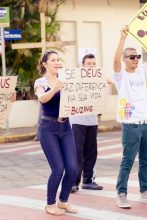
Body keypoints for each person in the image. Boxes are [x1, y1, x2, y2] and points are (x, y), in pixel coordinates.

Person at [113, 26, 147, 208]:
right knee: (127, 160)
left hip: (146, 125)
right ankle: (121, 192)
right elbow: (115, 61)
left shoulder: (142, 71)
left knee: (145, 160)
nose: (136, 59)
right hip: (131, 125)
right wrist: (122, 38)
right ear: (125, 59)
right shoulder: (120, 76)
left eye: (137, 57)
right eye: (132, 57)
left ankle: (145, 190)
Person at [34, 50, 78, 216]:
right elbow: (41, 98)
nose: (57, 62)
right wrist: (54, 89)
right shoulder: (41, 81)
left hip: (66, 127)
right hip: (48, 128)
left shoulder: (66, 79)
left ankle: (64, 201)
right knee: (58, 168)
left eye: (58, 60)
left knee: (73, 167)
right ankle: (50, 204)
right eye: (53, 60)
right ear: (45, 64)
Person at [70, 54, 103, 193]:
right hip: (77, 121)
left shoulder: (98, 80)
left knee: (91, 152)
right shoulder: (74, 79)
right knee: (77, 152)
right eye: (88, 63)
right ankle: (73, 182)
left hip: (92, 121)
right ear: (82, 65)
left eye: (93, 63)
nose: (91, 66)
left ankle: (88, 180)